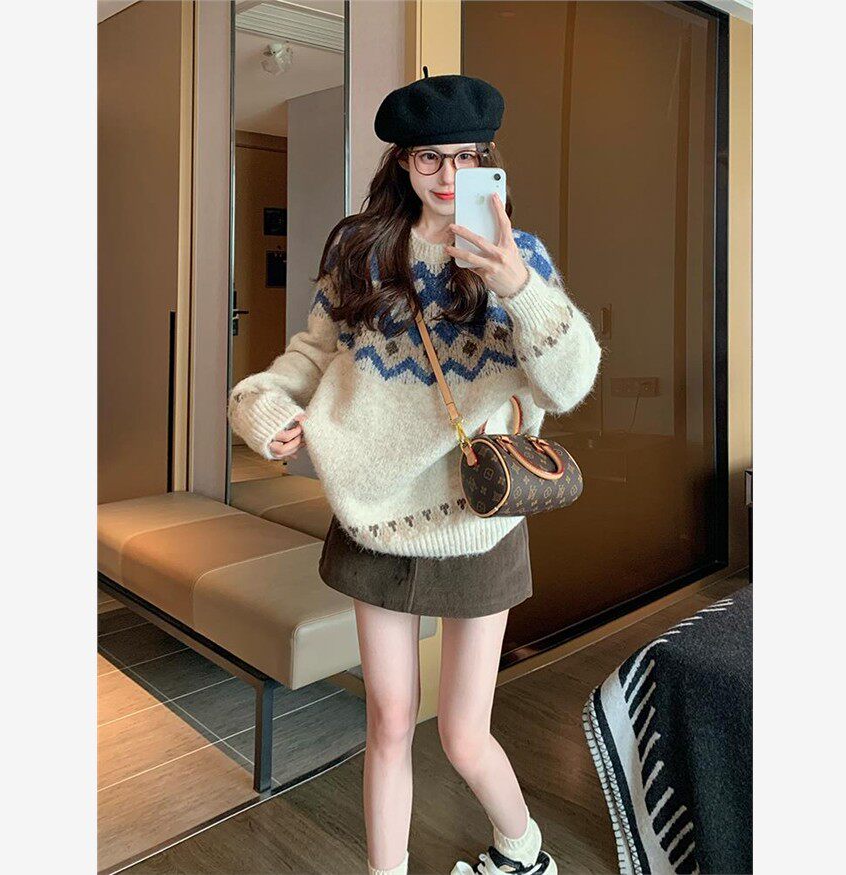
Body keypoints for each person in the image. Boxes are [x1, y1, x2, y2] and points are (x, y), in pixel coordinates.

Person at [228, 69, 602, 875]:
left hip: (479, 516)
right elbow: (310, 355)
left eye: (467, 157)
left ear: (488, 161)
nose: (448, 175)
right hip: (377, 511)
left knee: (463, 733)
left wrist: (516, 285)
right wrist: (259, 404)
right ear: (401, 161)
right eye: (430, 157)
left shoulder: (520, 256)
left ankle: (523, 851)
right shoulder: (360, 251)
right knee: (390, 721)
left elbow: (569, 382)